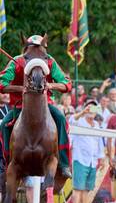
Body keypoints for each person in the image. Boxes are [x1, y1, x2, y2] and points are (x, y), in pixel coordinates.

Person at [0, 34, 73, 179]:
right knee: (3, 125)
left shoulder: (50, 61)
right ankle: (6, 162)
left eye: (39, 50)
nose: (36, 54)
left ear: (44, 49)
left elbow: (67, 84)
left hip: (46, 105)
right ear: (26, 50)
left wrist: (51, 85)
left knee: (60, 118)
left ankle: (64, 163)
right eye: (32, 50)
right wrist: (22, 88)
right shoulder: (16, 61)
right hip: (19, 106)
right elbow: (1, 83)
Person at [70, 100, 105, 203]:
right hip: (80, 159)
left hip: (92, 161)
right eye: (89, 107)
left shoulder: (97, 125)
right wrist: (83, 112)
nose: (91, 110)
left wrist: (102, 158)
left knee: (86, 189)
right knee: (78, 188)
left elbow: (99, 142)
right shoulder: (79, 121)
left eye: (94, 108)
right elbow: (70, 120)